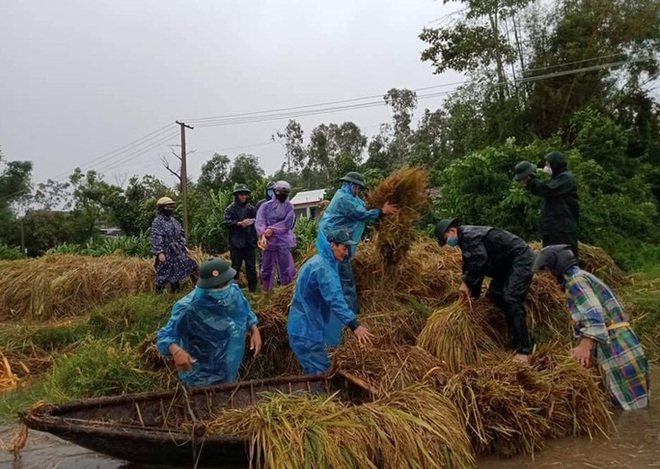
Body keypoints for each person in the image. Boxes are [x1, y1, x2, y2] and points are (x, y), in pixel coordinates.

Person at [533, 245, 649, 410]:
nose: (547, 277)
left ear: (555, 267)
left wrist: (584, 347)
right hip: (624, 344)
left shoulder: (575, 281)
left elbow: (593, 313)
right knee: (637, 410)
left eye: (547, 271)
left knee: (628, 412)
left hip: (616, 348)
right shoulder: (582, 276)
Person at [435, 218, 534, 362]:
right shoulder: (464, 240)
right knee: (494, 297)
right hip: (504, 264)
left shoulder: (470, 235)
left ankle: (524, 350)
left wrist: (467, 282)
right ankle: (508, 337)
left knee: (511, 299)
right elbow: (470, 265)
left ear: (451, 231)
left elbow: (480, 260)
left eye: (446, 239)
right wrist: (470, 295)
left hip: (520, 259)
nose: (448, 244)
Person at [156, 257, 262, 387]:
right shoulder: (188, 308)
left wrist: (254, 330)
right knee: (204, 401)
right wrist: (177, 351)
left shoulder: (233, 293)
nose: (222, 289)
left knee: (228, 390)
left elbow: (245, 311)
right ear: (205, 286)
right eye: (216, 286)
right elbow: (165, 336)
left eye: (224, 283)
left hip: (229, 358)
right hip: (200, 369)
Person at [288, 230, 374, 374]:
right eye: (344, 248)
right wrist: (354, 325)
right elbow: (335, 299)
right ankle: (316, 395)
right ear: (333, 245)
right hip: (306, 332)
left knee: (315, 370)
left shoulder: (321, 261)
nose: (346, 253)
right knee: (321, 374)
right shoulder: (323, 268)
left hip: (305, 327)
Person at [317, 172, 398, 314]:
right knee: (345, 277)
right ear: (350, 185)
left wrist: (376, 206)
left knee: (336, 275)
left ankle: (338, 309)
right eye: (357, 188)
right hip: (335, 242)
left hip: (334, 239)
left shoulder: (346, 195)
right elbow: (361, 214)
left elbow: (363, 206)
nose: (358, 191)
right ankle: (350, 314)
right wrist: (382, 211)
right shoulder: (343, 199)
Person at [516, 151, 580, 259]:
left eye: (548, 165)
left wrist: (530, 182)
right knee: (551, 260)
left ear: (555, 164)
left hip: (563, 229)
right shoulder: (555, 179)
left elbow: (546, 189)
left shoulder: (566, 179)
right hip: (552, 229)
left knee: (566, 260)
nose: (546, 167)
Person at [151, 197, 198, 293]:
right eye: (167, 207)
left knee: (186, 266)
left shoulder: (173, 220)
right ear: (161, 208)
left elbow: (180, 234)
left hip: (176, 249)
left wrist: (184, 247)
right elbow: (156, 236)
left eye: (171, 206)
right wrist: (160, 252)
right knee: (164, 272)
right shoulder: (157, 221)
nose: (170, 209)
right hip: (166, 250)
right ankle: (158, 292)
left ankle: (176, 291)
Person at [256, 180, 297, 291]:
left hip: (283, 241)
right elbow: (260, 221)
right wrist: (263, 234)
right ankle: (266, 291)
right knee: (266, 266)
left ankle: (286, 290)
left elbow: (287, 223)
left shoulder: (289, 207)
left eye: (285, 193)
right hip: (268, 241)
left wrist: (272, 229)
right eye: (280, 192)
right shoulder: (265, 206)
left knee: (286, 266)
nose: (282, 195)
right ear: (275, 192)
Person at [224, 184, 258, 293]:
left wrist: (251, 221)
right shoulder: (230, 209)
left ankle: (252, 290)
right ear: (236, 195)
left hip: (249, 243)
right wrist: (239, 223)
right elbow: (226, 222)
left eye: (245, 194)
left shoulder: (251, 209)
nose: (244, 197)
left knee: (251, 268)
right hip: (236, 243)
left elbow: (259, 221)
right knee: (235, 267)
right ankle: (233, 290)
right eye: (241, 194)